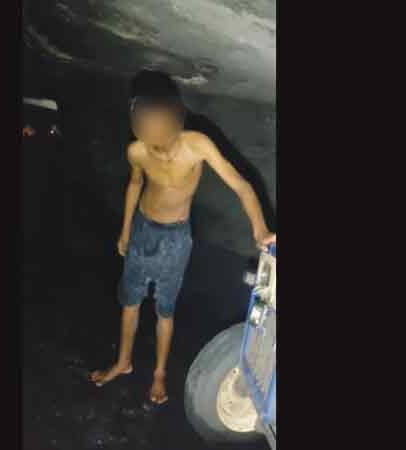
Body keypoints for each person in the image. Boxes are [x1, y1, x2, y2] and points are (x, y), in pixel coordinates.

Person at [90, 70, 276, 405]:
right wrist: (126, 229)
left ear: (175, 120)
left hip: (175, 238)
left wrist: (259, 228)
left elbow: (241, 185)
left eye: (159, 125)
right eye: (145, 126)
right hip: (143, 230)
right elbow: (135, 184)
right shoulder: (137, 151)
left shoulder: (196, 144)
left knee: (165, 309)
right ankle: (123, 362)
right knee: (130, 302)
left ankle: (160, 374)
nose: (153, 134)